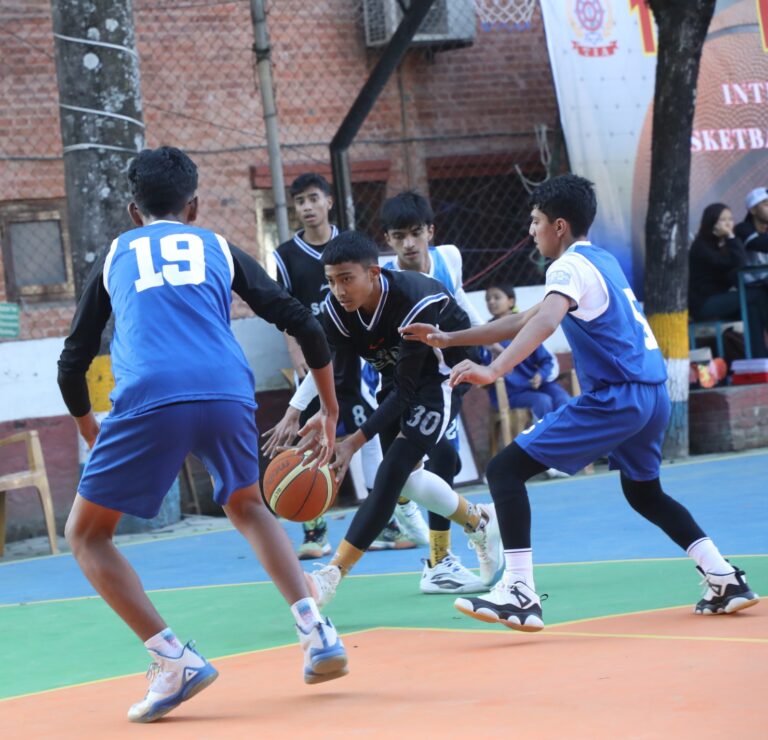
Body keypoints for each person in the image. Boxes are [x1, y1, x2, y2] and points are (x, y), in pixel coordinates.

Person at [57, 147, 348, 723]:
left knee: (86, 535)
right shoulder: (216, 245)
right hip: (227, 390)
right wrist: (330, 409)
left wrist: (91, 428)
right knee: (248, 504)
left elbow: (73, 360)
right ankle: (316, 630)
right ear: (193, 206)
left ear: (134, 211)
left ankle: (173, 661)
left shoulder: (117, 252)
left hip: (151, 394)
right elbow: (303, 321)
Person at [402, 174, 759, 631]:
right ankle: (724, 576)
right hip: (652, 394)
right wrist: (450, 337)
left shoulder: (566, 266)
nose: (531, 230)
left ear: (560, 226)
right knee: (643, 492)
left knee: (504, 471)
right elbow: (524, 318)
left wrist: (494, 370)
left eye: (536, 221)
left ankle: (519, 592)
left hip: (618, 395)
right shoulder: (599, 260)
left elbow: (545, 322)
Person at [281, 231, 504, 608]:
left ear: (373, 273)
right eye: (331, 281)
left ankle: (331, 575)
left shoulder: (414, 298)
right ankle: (479, 523)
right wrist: (326, 414)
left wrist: (355, 441)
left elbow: (407, 390)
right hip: (397, 379)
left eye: (346, 279)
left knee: (391, 473)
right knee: (408, 480)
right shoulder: (337, 310)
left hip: (443, 377)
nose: (338, 290)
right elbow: (342, 377)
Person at [270, 173, 419, 557]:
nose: (307, 207)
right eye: (299, 201)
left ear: (329, 201)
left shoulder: (352, 246)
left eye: (313, 198)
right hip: (316, 359)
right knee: (311, 436)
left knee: (366, 435)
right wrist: (297, 356)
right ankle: (314, 532)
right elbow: (285, 313)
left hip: (356, 357)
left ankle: (384, 524)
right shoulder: (286, 256)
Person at [379, 190, 486, 594]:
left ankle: (439, 561)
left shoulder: (450, 258)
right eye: (399, 236)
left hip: (444, 377)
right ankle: (405, 502)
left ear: (430, 232)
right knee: (409, 468)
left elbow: (458, 299)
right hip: (402, 380)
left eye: (415, 233)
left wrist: (487, 340)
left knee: (446, 459)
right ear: (388, 240)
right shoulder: (385, 282)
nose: (409, 243)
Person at [482, 281, 570, 421]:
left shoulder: (528, 327)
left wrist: (541, 375)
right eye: (488, 299)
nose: (491, 302)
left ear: (511, 301)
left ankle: (568, 433)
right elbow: (485, 367)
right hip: (510, 393)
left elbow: (547, 360)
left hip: (538, 384)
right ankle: (547, 435)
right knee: (542, 401)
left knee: (563, 399)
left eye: (496, 297)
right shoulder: (486, 333)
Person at [689, 202, 768, 358]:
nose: (728, 224)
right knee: (758, 295)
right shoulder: (701, 246)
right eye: (723, 220)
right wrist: (732, 236)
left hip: (720, 300)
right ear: (712, 223)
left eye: (730, 219)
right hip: (704, 304)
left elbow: (737, 266)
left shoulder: (723, 245)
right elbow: (739, 263)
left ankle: (760, 360)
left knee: (752, 309)